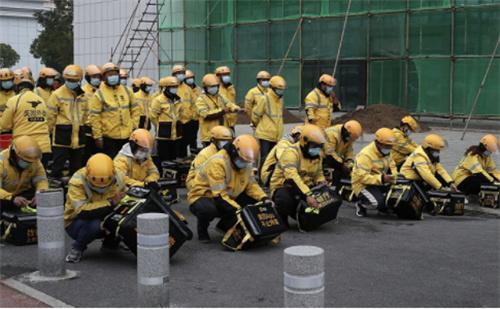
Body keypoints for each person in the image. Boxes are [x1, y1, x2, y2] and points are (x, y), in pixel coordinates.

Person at [188, 134, 270, 242]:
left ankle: (224, 226)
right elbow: (220, 195)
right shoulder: (217, 162)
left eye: (247, 161)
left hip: (228, 196)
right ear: (235, 151)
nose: (245, 163)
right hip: (203, 196)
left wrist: (264, 198)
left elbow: (252, 185)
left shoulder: (245, 161)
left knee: (256, 204)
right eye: (243, 160)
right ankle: (202, 230)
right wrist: (240, 211)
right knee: (209, 210)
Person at [64, 153, 126, 263]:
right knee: (94, 224)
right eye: (96, 185)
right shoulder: (77, 181)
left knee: (123, 215)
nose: (101, 188)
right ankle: (77, 248)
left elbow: (126, 192)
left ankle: (110, 244)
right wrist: (110, 203)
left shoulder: (119, 176)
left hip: (104, 213)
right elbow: (82, 211)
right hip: (76, 222)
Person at [270, 124, 327, 227]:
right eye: (314, 146)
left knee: (322, 199)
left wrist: (321, 181)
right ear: (304, 142)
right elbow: (292, 178)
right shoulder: (291, 153)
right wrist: (307, 195)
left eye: (319, 146)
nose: (317, 149)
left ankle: (303, 214)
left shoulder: (317, 155)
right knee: (284, 200)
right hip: (285, 185)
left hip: (303, 186)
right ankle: (281, 217)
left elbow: (318, 173)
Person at [0, 70, 51, 167]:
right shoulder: (41, 100)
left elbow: (5, 125)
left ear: (17, 86)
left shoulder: (14, 100)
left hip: (25, 147)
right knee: (40, 177)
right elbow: (48, 121)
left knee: (25, 177)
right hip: (44, 147)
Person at [88, 62, 140, 159]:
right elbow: (94, 118)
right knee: (112, 163)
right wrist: (98, 137)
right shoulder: (98, 94)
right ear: (104, 77)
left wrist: (133, 126)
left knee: (127, 162)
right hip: (109, 138)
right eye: (110, 74)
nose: (113, 77)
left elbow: (135, 110)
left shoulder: (127, 91)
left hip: (127, 136)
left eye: (115, 74)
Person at [46, 64, 88, 178]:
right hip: (61, 138)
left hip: (78, 138)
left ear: (79, 80)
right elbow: (50, 117)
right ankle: (55, 187)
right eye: (69, 80)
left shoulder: (83, 96)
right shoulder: (57, 95)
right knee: (57, 167)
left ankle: (74, 189)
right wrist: (48, 134)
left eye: (74, 80)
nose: (71, 82)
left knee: (76, 168)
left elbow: (86, 115)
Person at [352, 127, 398, 217]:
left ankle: (382, 205)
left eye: (391, 146)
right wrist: (382, 179)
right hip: (363, 184)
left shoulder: (386, 152)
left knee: (396, 195)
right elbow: (362, 178)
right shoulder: (365, 155)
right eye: (387, 146)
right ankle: (361, 204)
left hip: (379, 181)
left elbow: (392, 164)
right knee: (377, 204)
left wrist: (394, 176)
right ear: (378, 143)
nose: (389, 148)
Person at [0, 136, 48, 210]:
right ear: (15, 154)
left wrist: (40, 194)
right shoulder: (2, 161)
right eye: (25, 161)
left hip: (23, 195)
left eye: (30, 162)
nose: (28, 164)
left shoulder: (34, 160)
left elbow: (41, 180)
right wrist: (11, 198)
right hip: (4, 197)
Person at [252, 75, 285, 173]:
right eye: (279, 89)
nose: (281, 91)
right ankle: (262, 179)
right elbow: (256, 115)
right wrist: (259, 126)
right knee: (265, 158)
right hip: (265, 135)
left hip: (276, 135)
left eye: (282, 89)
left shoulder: (280, 100)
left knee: (273, 159)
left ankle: (268, 178)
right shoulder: (264, 98)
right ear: (273, 88)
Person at [195, 73, 239, 147]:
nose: (214, 88)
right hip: (209, 136)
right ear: (205, 87)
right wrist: (222, 111)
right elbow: (206, 115)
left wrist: (235, 108)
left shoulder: (220, 97)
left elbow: (229, 103)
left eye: (215, 86)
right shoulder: (201, 100)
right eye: (211, 87)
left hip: (222, 133)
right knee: (210, 156)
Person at [186, 125, 233, 190]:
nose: (225, 143)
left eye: (227, 141)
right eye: (222, 140)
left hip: (216, 181)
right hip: (197, 185)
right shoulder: (204, 155)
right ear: (213, 140)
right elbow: (200, 176)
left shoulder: (227, 152)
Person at [323, 120, 362, 190]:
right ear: (346, 132)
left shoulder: (347, 137)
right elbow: (330, 154)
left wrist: (349, 161)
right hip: (324, 158)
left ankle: (343, 189)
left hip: (335, 158)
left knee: (348, 171)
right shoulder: (331, 134)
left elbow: (349, 150)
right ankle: (333, 189)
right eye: (350, 138)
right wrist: (342, 164)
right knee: (338, 172)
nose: (350, 140)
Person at [150, 76, 182, 161]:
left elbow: (180, 114)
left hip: (176, 136)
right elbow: (153, 116)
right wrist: (161, 127)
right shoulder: (158, 100)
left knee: (174, 159)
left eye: (176, 87)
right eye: (172, 87)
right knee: (164, 159)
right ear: (166, 88)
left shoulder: (178, 99)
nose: (174, 89)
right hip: (164, 136)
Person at [172, 65, 195, 158]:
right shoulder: (171, 88)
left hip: (187, 122)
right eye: (178, 73)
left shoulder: (188, 89)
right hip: (176, 122)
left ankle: (183, 162)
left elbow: (193, 104)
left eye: (182, 73)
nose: (180, 75)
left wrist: (192, 116)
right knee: (175, 145)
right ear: (173, 75)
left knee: (185, 145)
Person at [81, 64, 102, 164]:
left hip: (101, 128)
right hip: (87, 128)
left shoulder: (103, 90)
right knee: (86, 154)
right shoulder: (82, 91)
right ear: (88, 78)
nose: (97, 79)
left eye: (98, 77)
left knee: (100, 155)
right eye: (94, 77)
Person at [215, 66, 240, 131]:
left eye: (228, 74)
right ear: (218, 76)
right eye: (224, 75)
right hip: (221, 121)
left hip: (231, 121)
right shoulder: (216, 89)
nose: (227, 77)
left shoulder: (231, 88)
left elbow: (232, 102)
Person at [185, 69, 202, 152]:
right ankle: (183, 154)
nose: (190, 80)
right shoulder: (183, 90)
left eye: (191, 78)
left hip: (195, 118)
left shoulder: (198, 89)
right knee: (184, 139)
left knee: (193, 138)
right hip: (186, 119)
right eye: (188, 78)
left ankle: (193, 153)